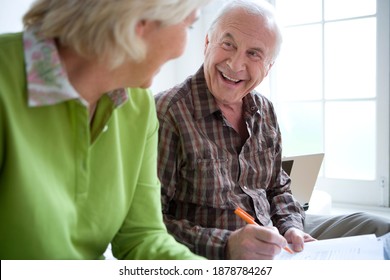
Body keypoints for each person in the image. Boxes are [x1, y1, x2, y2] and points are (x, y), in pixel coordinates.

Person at [155, 0, 390, 260]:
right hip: (220, 254)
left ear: (268, 67)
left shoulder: (264, 110)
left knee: (378, 227)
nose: (235, 64)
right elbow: (149, 224)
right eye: (228, 44)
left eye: (254, 53)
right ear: (207, 43)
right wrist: (227, 244)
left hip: (276, 239)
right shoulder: (168, 112)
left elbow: (278, 189)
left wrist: (291, 227)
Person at [0, 0, 213, 260]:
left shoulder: (138, 102)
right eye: (189, 26)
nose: (183, 49)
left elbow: (141, 238)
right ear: (139, 19)